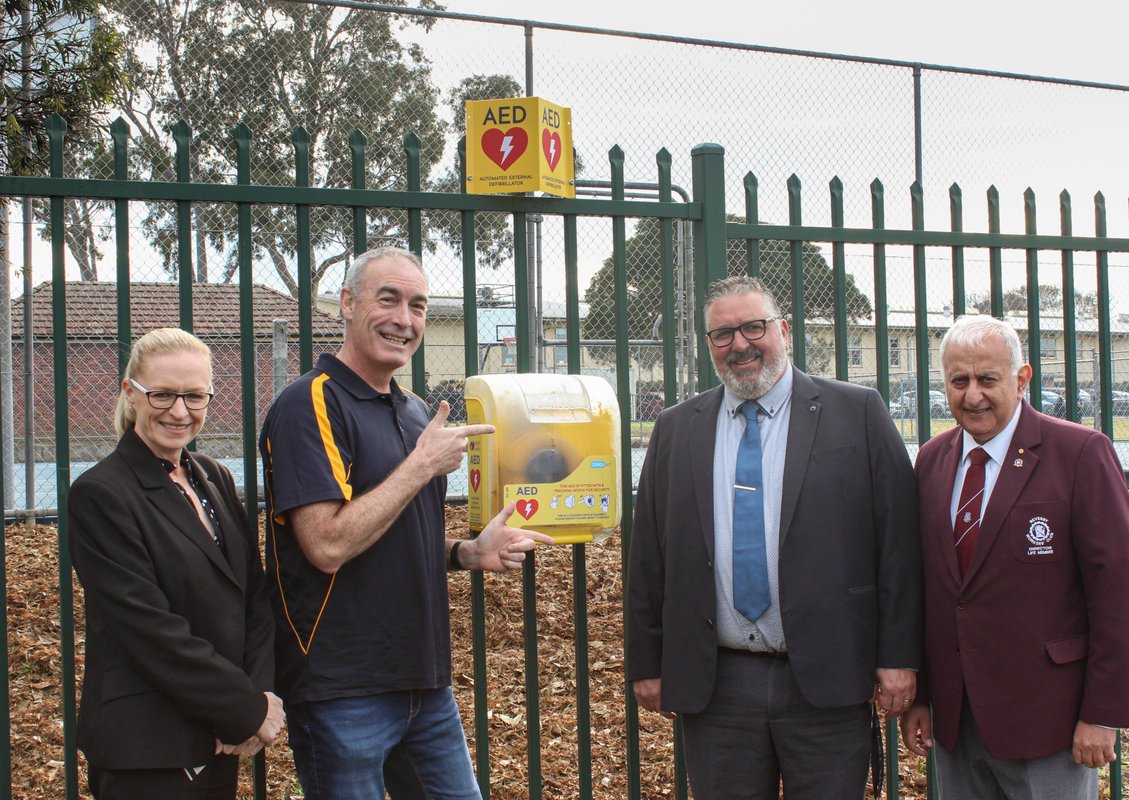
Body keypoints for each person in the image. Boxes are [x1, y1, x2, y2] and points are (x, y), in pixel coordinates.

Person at [259, 246, 553, 799]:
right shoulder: (308, 404)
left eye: (417, 306)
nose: (405, 320)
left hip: (424, 683)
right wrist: (419, 466)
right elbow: (325, 544)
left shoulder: (416, 409)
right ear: (347, 303)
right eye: (387, 300)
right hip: (342, 689)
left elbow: (390, 531)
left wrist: (467, 552)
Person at [624, 275, 923, 799]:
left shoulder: (857, 412)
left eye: (754, 327)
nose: (740, 344)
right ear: (710, 345)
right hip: (719, 687)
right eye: (723, 334)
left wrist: (898, 656)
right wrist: (647, 663)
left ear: (783, 330)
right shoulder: (676, 429)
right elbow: (647, 556)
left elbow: (899, 545)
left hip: (828, 677)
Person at [900, 315, 1129, 799]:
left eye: (988, 379)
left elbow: (1119, 592)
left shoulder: (1080, 454)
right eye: (959, 381)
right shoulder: (931, 459)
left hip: (1049, 722)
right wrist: (924, 694)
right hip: (957, 722)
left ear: (1022, 377)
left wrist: (1103, 714)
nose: (973, 395)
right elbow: (930, 588)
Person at [69, 328, 283, 799]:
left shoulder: (214, 476)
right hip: (148, 747)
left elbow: (254, 593)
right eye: (162, 394)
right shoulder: (102, 494)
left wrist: (259, 696)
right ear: (131, 393)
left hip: (220, 739)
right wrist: (242, 709)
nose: (180, 411)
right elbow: (147, 627)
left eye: (194, 396)